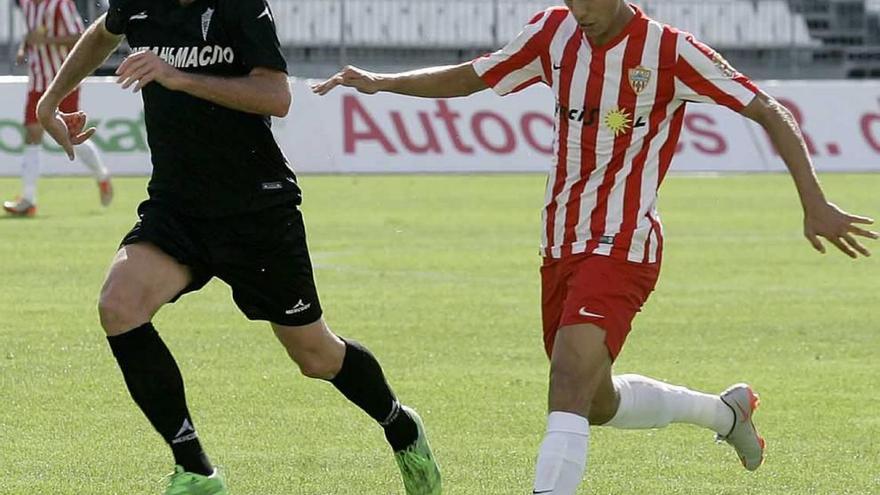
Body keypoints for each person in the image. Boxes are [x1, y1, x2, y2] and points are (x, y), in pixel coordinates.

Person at [312, 0, 878, 493]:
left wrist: (815, 201)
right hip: (560, 242)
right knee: (595, 400)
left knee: (565, 383)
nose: (579, 10)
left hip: (624, 242)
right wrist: (383, 82)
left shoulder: (670, 52)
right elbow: (472, 76)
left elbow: (768, 110)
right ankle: (723, 413)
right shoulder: (552, 33)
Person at [35, 1, 441, 494]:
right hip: (177, 206)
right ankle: (197, 471)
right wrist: (51, 99)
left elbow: (276, 95)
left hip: (255, 209)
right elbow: (103, 31)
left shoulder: (241, 5)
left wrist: (178, 76)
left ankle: (401, 426)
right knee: (119, 305)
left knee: (315, 356)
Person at [4, 0, 112, 217]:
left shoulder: (60, 4)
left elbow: (79, 37)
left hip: (63, 80)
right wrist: (26, 46)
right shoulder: (27, 4)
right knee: (32, 133)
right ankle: (28, 199)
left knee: (70, 136)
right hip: (38, 78)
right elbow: (32, 33)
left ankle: (102, 175)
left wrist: (45, 40)